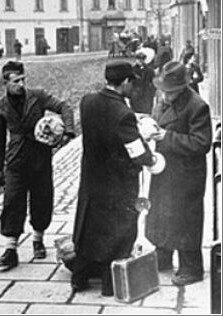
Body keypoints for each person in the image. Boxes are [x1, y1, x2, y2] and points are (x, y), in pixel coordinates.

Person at [71, 59, 156, 296]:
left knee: (89, 229)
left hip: (92, 180)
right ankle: (111, 284)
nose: (133, 87)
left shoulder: (87, 102)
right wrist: (150, 153)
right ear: (125, 82)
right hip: (118, 185)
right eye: (132, 82)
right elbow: (137, 152)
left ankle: (79, 278)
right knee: (118, 233)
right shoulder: (123, 113)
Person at [0, 61, 75, 270]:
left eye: (23, 80)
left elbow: (64, 106)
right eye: (16, 81)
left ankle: (38, 239)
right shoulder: (0, 105)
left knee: (42, 199)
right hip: (15, 160)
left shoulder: (37, 96)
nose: (21, 84)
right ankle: (11, 250)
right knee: (12, 201)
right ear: (6, 83)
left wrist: (67, 132)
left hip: (40, 158)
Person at [145, 60, 212, 286]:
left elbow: (202, 143)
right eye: (165, 90)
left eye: (171, 91)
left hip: (186, 175)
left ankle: (191, 269)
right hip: (166, 169)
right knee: (161, 214)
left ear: (183, 88)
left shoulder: (197, 106)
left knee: (185, 221)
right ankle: (162, 257)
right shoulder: (165, 101)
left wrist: (167, 137)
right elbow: (162, 122)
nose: (166, 95)